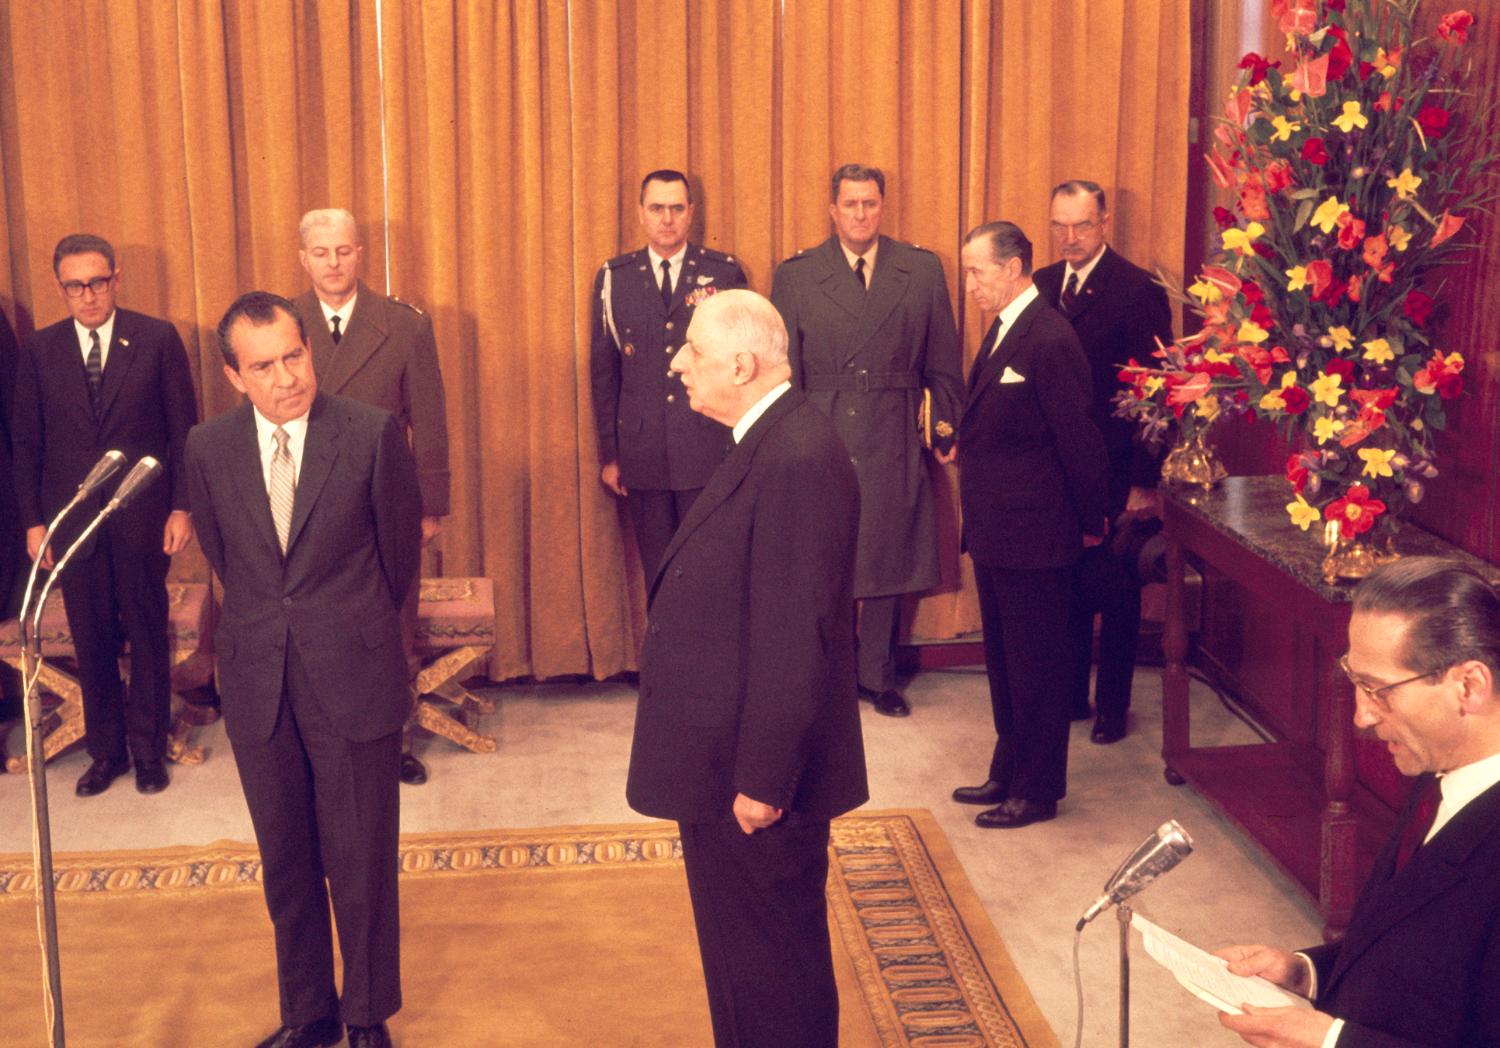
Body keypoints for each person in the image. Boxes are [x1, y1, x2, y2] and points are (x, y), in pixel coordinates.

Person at [626, 289, 867, 1047]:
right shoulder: (767, 440)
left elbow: (797, 638)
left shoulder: (797, 455)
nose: (677, 364)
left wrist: (763, 782)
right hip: (723, 762)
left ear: (742, 362)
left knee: (774, 977)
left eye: (691, 352)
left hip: (756, 783)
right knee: (744, 970)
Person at [186, 292, 421, 1048]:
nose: (287, 376)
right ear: (233, 376)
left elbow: (398, 564)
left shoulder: (371, 433)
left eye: (295, 355)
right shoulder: (207, 448)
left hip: (351, 674)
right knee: (286, 863)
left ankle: (365, 1015)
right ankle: (309, 1014)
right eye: (264, 365)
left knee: (361, 860)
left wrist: (343, 629)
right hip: (259, 679)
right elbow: (228, 561)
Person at [1217, 557, 1500, 1048]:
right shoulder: (1440, 769)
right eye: (1355, 680)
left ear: (1469, 686)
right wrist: (1303, 972)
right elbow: (1415, 961)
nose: (1362, 717)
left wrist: (1335, 1042)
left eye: (1378, 690)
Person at [771, 164, 963, 718]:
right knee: (823, 558)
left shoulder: (921, 271)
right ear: (832, 209)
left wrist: (945, 428)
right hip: (823, 428)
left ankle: (877, 675)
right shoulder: (799, 275)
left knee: (885, 556)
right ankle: (826, 679)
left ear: (883, 206)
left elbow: (943, 364)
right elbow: (784, 372)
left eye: (870, 204)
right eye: (851, 204)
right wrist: (789, 443)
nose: (861, 215)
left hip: (892, 431)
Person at [10, 234, 198, 796]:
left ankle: (147, 752)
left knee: (145, 632)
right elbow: (26, 445)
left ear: (115, 279)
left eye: (98, 282)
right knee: (91, 638)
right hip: (71, 525)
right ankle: (106, 752)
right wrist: (34, 523)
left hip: (142, 517)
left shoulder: (157, 339)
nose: (88, 295)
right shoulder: (40, 351)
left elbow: (183, 431)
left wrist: (182, 506)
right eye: (75, 285)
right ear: (60, 288)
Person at [950, 222, 1107, 829]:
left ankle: (1036, 791)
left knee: (1037, 667)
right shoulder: (1005, 329)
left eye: (977, 271)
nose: (970, 284)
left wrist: (1091, 522)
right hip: (997, 532)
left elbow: (1080, 442)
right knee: (1006, 662)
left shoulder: (1049, 337)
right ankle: (1008, 767)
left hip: (1037, 536)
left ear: (1013, 268)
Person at [293, 207, 450, 786]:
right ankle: (325, 742)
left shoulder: (403, 324)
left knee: (392, 626)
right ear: (303, 258)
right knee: (318, 627)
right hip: (307, 502)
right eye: (321, 253)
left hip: (385, 500)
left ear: (361, 253)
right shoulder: (282, 324)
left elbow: (429, 420)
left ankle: (396, 740)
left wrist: (430, 505)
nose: (334, 263)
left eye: (344, 251)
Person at [1033, 180, 1174, 744]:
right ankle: (1071, 696)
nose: (1070, 237)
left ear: (1105, 223)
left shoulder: (1137, 289)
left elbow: (1160, 394)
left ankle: (1112, 707)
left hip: (1116, 467)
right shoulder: (1041, 285)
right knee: (1064, 579)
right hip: (1057, 468)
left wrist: (1145, 482)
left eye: (1082, 226)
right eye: (1060, 226)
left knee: (1115, 589)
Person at [589, 169, 748, 584]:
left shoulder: (724, 273)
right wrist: (610, 454)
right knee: (657, 571)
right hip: (643, 453)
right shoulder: (614, 278)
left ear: (691, 213)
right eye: (657, 208)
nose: (667, 218)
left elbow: (744, 367)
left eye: (676, 208)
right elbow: (604, 373)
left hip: (707, 449)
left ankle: (707, 651)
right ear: (641, 213)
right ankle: (663, 652)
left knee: (708, 572)